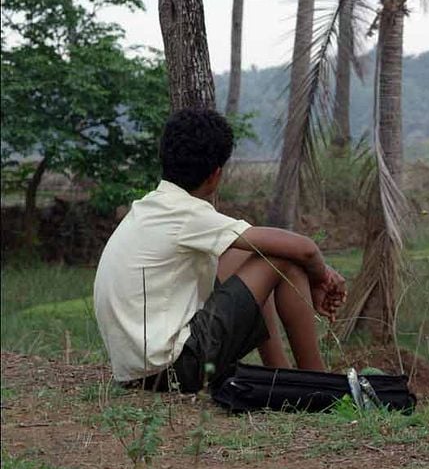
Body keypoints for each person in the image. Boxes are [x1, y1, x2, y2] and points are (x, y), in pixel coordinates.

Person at [93, 108, 346, 393]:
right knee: (281, 260)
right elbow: (306, 250)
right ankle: (323, 386)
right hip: (173, 371)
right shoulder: (187, 213)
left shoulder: (152, 206)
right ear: (215, 175)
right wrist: (322, 277)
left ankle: (281, 375)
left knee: (245, 254)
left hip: (136, 371)